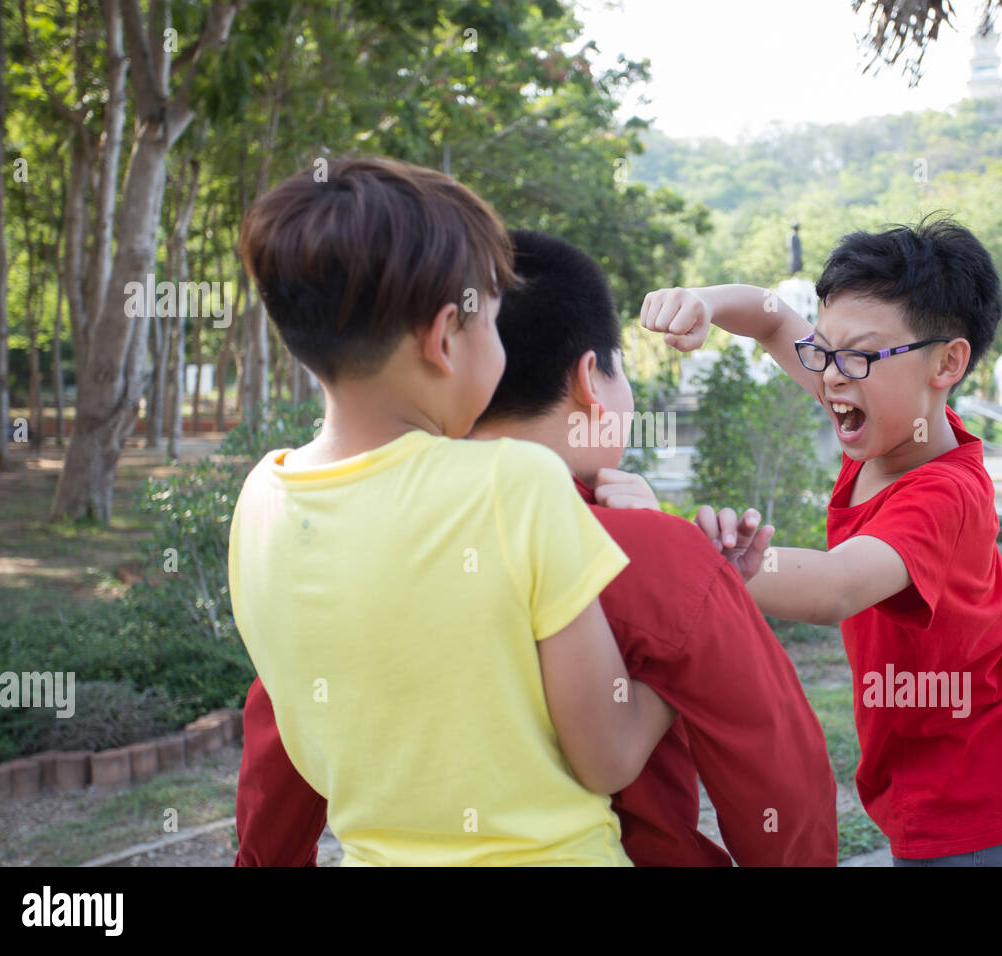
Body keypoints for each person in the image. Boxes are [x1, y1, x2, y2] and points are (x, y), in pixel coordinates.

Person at [235, 229, 838, 867]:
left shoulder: (346, 532)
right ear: (589, 380)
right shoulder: (657, 552)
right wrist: (699, 571)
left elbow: (282, 741)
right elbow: (777, 775)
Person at [228, 158, 674, 866]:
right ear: (444, 339)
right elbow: (610, 754)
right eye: (494, 322)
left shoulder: (261, 499)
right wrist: (679, 658)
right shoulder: (517, 484)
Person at [639, 217, 1002, 866]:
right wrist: (703, 300)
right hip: (925, 793)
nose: (832, 376)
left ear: (946, 363)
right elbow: (773, 319)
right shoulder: (889, 418)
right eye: (826, 352)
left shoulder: (942, 492)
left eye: (858, 356)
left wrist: (683, 554)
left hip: (983, 809)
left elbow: (836, 585)